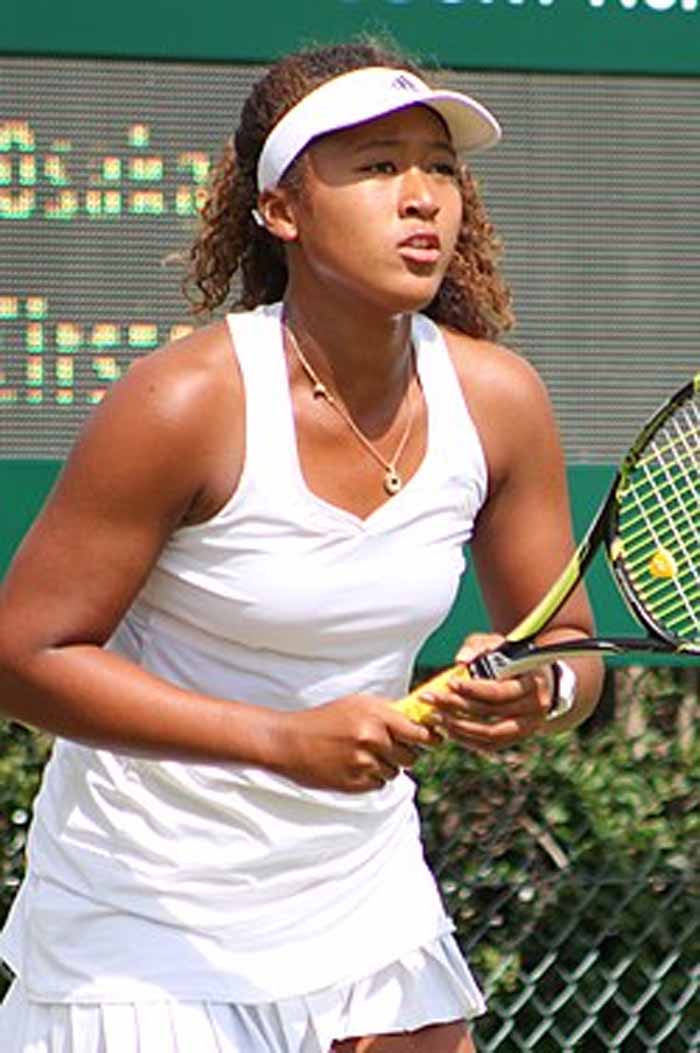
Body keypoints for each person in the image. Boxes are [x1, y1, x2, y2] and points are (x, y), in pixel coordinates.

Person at [0, 38, 603, 1053]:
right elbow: (23, 655)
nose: (422, 197)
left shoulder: (499, 401)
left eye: (440, 167)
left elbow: (572, 650)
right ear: (282, 210)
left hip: (369, 908)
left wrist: (539, 691)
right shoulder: (182, 402)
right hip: (144, 929)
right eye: (377, 166)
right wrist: (281, 741)